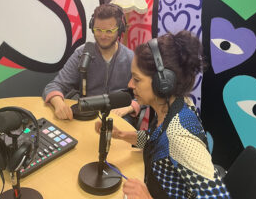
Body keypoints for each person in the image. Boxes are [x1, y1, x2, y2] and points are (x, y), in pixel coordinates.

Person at [95, 31, 231, 198]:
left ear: (163, 83)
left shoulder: (180, 136)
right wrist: (122, 134)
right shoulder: (172, 106)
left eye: (137, 79)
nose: (130, 84)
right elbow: (156, 141)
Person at [42, 4, 139, 120]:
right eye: (98, 30)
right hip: (88, 116)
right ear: (92, 27)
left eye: (109, 31)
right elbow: (55, 85)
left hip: (118, 118)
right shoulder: (82, 53)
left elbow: (146, 94)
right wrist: (58, 103)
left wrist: (129, 107)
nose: (103, 36)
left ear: (120, 30)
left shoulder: (131, 58)